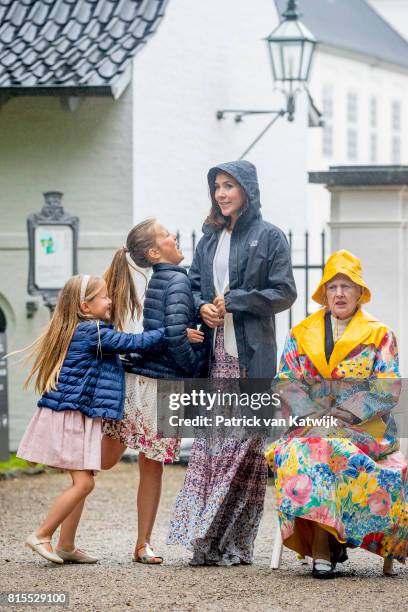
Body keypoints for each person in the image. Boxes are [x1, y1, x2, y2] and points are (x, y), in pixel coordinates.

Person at [167, 160, 297, 565]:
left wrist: (237, 300)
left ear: (248, 189)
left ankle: (235, 545)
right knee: (212, 449)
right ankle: (205, 542)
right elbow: (191, 287)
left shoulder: (270, 236)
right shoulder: (208, 239)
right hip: (215, 354)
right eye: (217, 187)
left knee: (246, 451)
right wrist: (202, 306)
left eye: (229, 186)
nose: (222, 194)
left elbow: (285, 292)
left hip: (251, 356)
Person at [265, 250, 407, 578]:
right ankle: (321, 546)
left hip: (365, 431)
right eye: (333, 287)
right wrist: (313, 415)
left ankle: (326, 545)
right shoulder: (301, 333)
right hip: (311, 426)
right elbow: (285, 381)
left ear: (360, 292)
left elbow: (386, 389)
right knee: (312, 446)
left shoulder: (379, 335)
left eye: (347, 285)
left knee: (327, 447)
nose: (339, 293)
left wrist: (342, 414)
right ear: (324, 293)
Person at [16, 274, 164, 564]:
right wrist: (172, 332)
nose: (110, 302)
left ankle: (67, 545)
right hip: (70, 417)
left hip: (73, 415)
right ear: (85, 305)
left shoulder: (85, 331)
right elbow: (134, 340)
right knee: (84, 483)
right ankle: (42, 534)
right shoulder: (93, 331)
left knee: (85, 479)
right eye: (104, 297)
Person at [101, 218, 205, 564]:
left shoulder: (166, 278)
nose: (174, 235)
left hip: (145, 382)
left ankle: (137, 542)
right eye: (166, 235)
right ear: (154, 251)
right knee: (146, 467)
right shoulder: (176, 279)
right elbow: (176, 335)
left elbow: (170, 330)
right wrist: (193, 367)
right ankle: (142, 544)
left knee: (104, 460)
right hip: (158, 385)